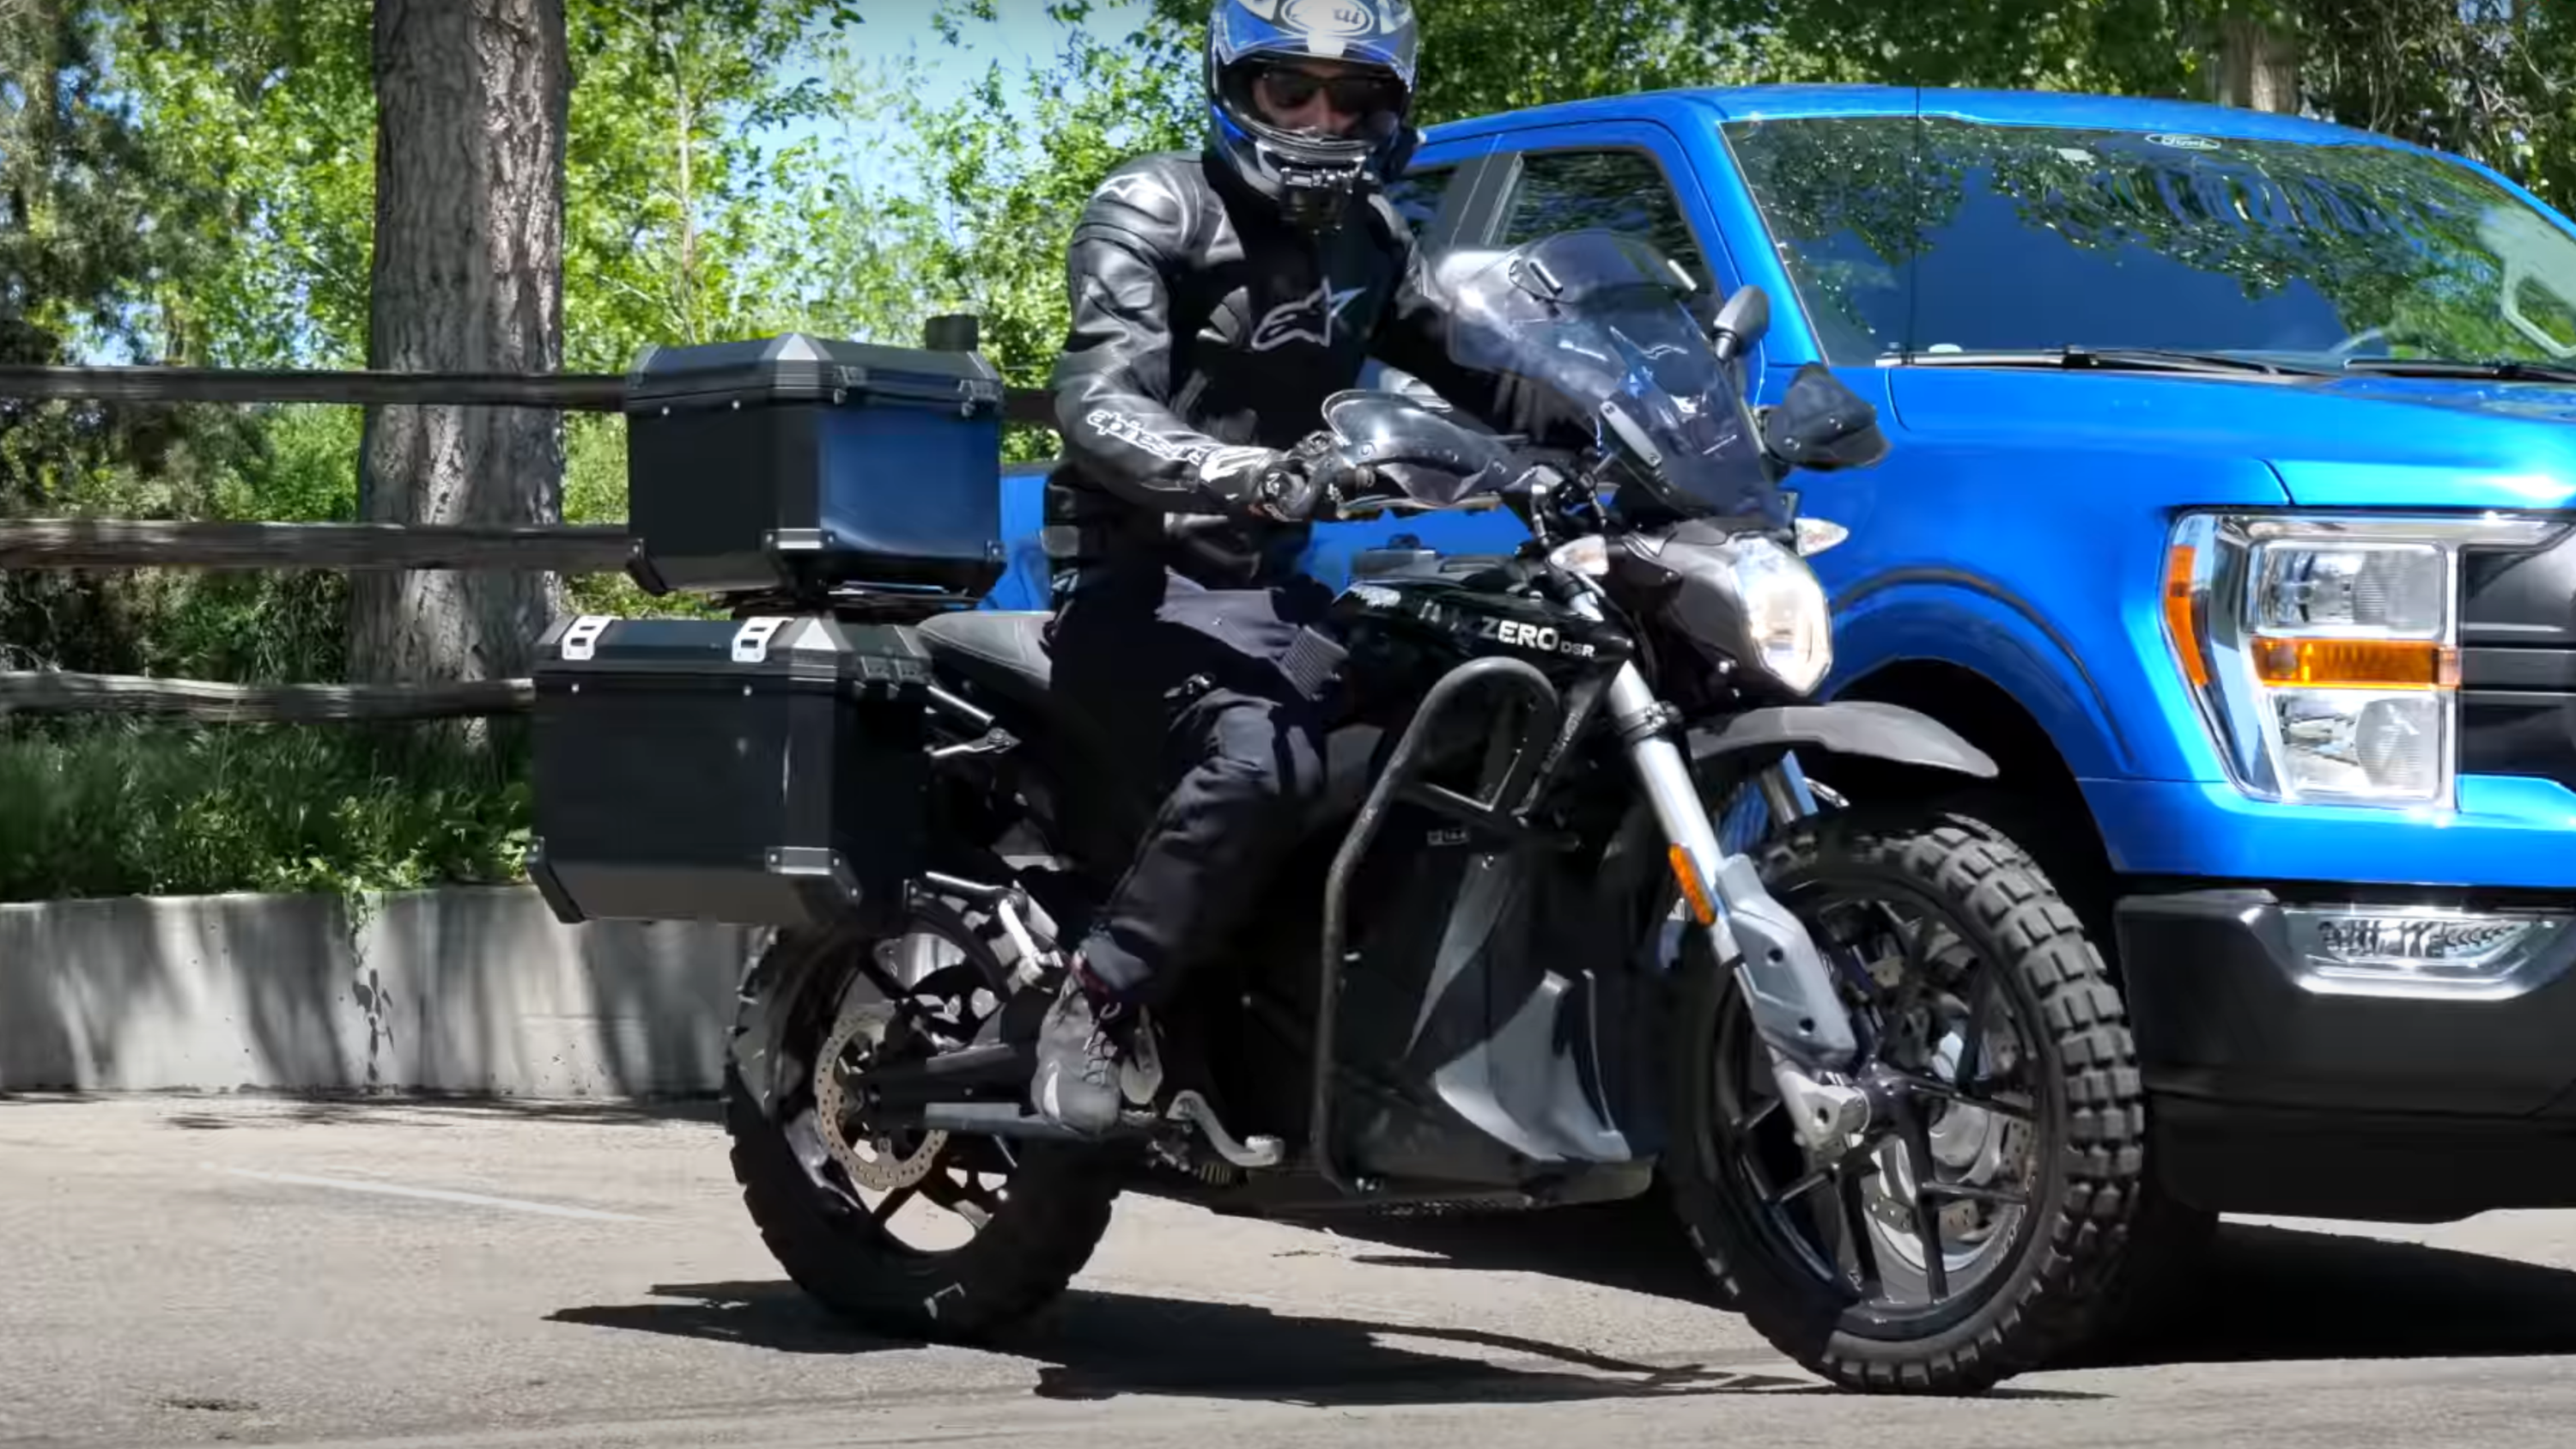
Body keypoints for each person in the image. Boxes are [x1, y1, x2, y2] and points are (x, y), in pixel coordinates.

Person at [1028, 0, 1519, 1134]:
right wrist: (1234, 470)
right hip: (1136, 585)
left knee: (1480, 696)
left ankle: (1357, 1018)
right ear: (1234, 87)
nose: (1320, 119)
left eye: (1353, 97)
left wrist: (1633, 424)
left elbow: (1494, 368)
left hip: (1267, 595)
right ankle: (1099, 997)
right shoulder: (1154, 208)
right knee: (1263, 762)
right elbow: (1098, 398)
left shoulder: (1372, 240)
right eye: (1290, 89)